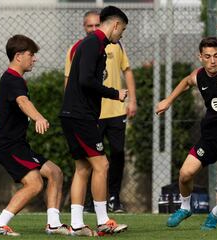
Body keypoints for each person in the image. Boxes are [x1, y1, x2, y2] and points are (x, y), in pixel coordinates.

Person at [155, 25, 217, 230]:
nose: (212, 61)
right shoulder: (199, 75)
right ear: (200, 57)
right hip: (210, 138)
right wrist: (168, 101)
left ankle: (215, 213)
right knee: (185, 174)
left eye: (216, 56)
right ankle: (185, 207)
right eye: (208, 56)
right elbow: (186, 82)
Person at [0, 35, 69, 236]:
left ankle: (53, 224)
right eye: (31, 54)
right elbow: (23, 102)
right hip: (10, 146)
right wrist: (38, 117)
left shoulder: (9, 79)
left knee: (55, 172)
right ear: (18, 56)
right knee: (35, 183)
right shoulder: (13, 80)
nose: (34, 59)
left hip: (14, 145)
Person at [60, 6, 129, 236]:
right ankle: (102, 221)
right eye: (123, 30)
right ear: (116, 25)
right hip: (81, 116)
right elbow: (86, 80)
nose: (121, 36)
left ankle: (78, 224)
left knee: (82, 168)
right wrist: (115, 93)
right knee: (103, 165)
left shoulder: (93, 44)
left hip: (73, 114)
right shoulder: (93, 44)